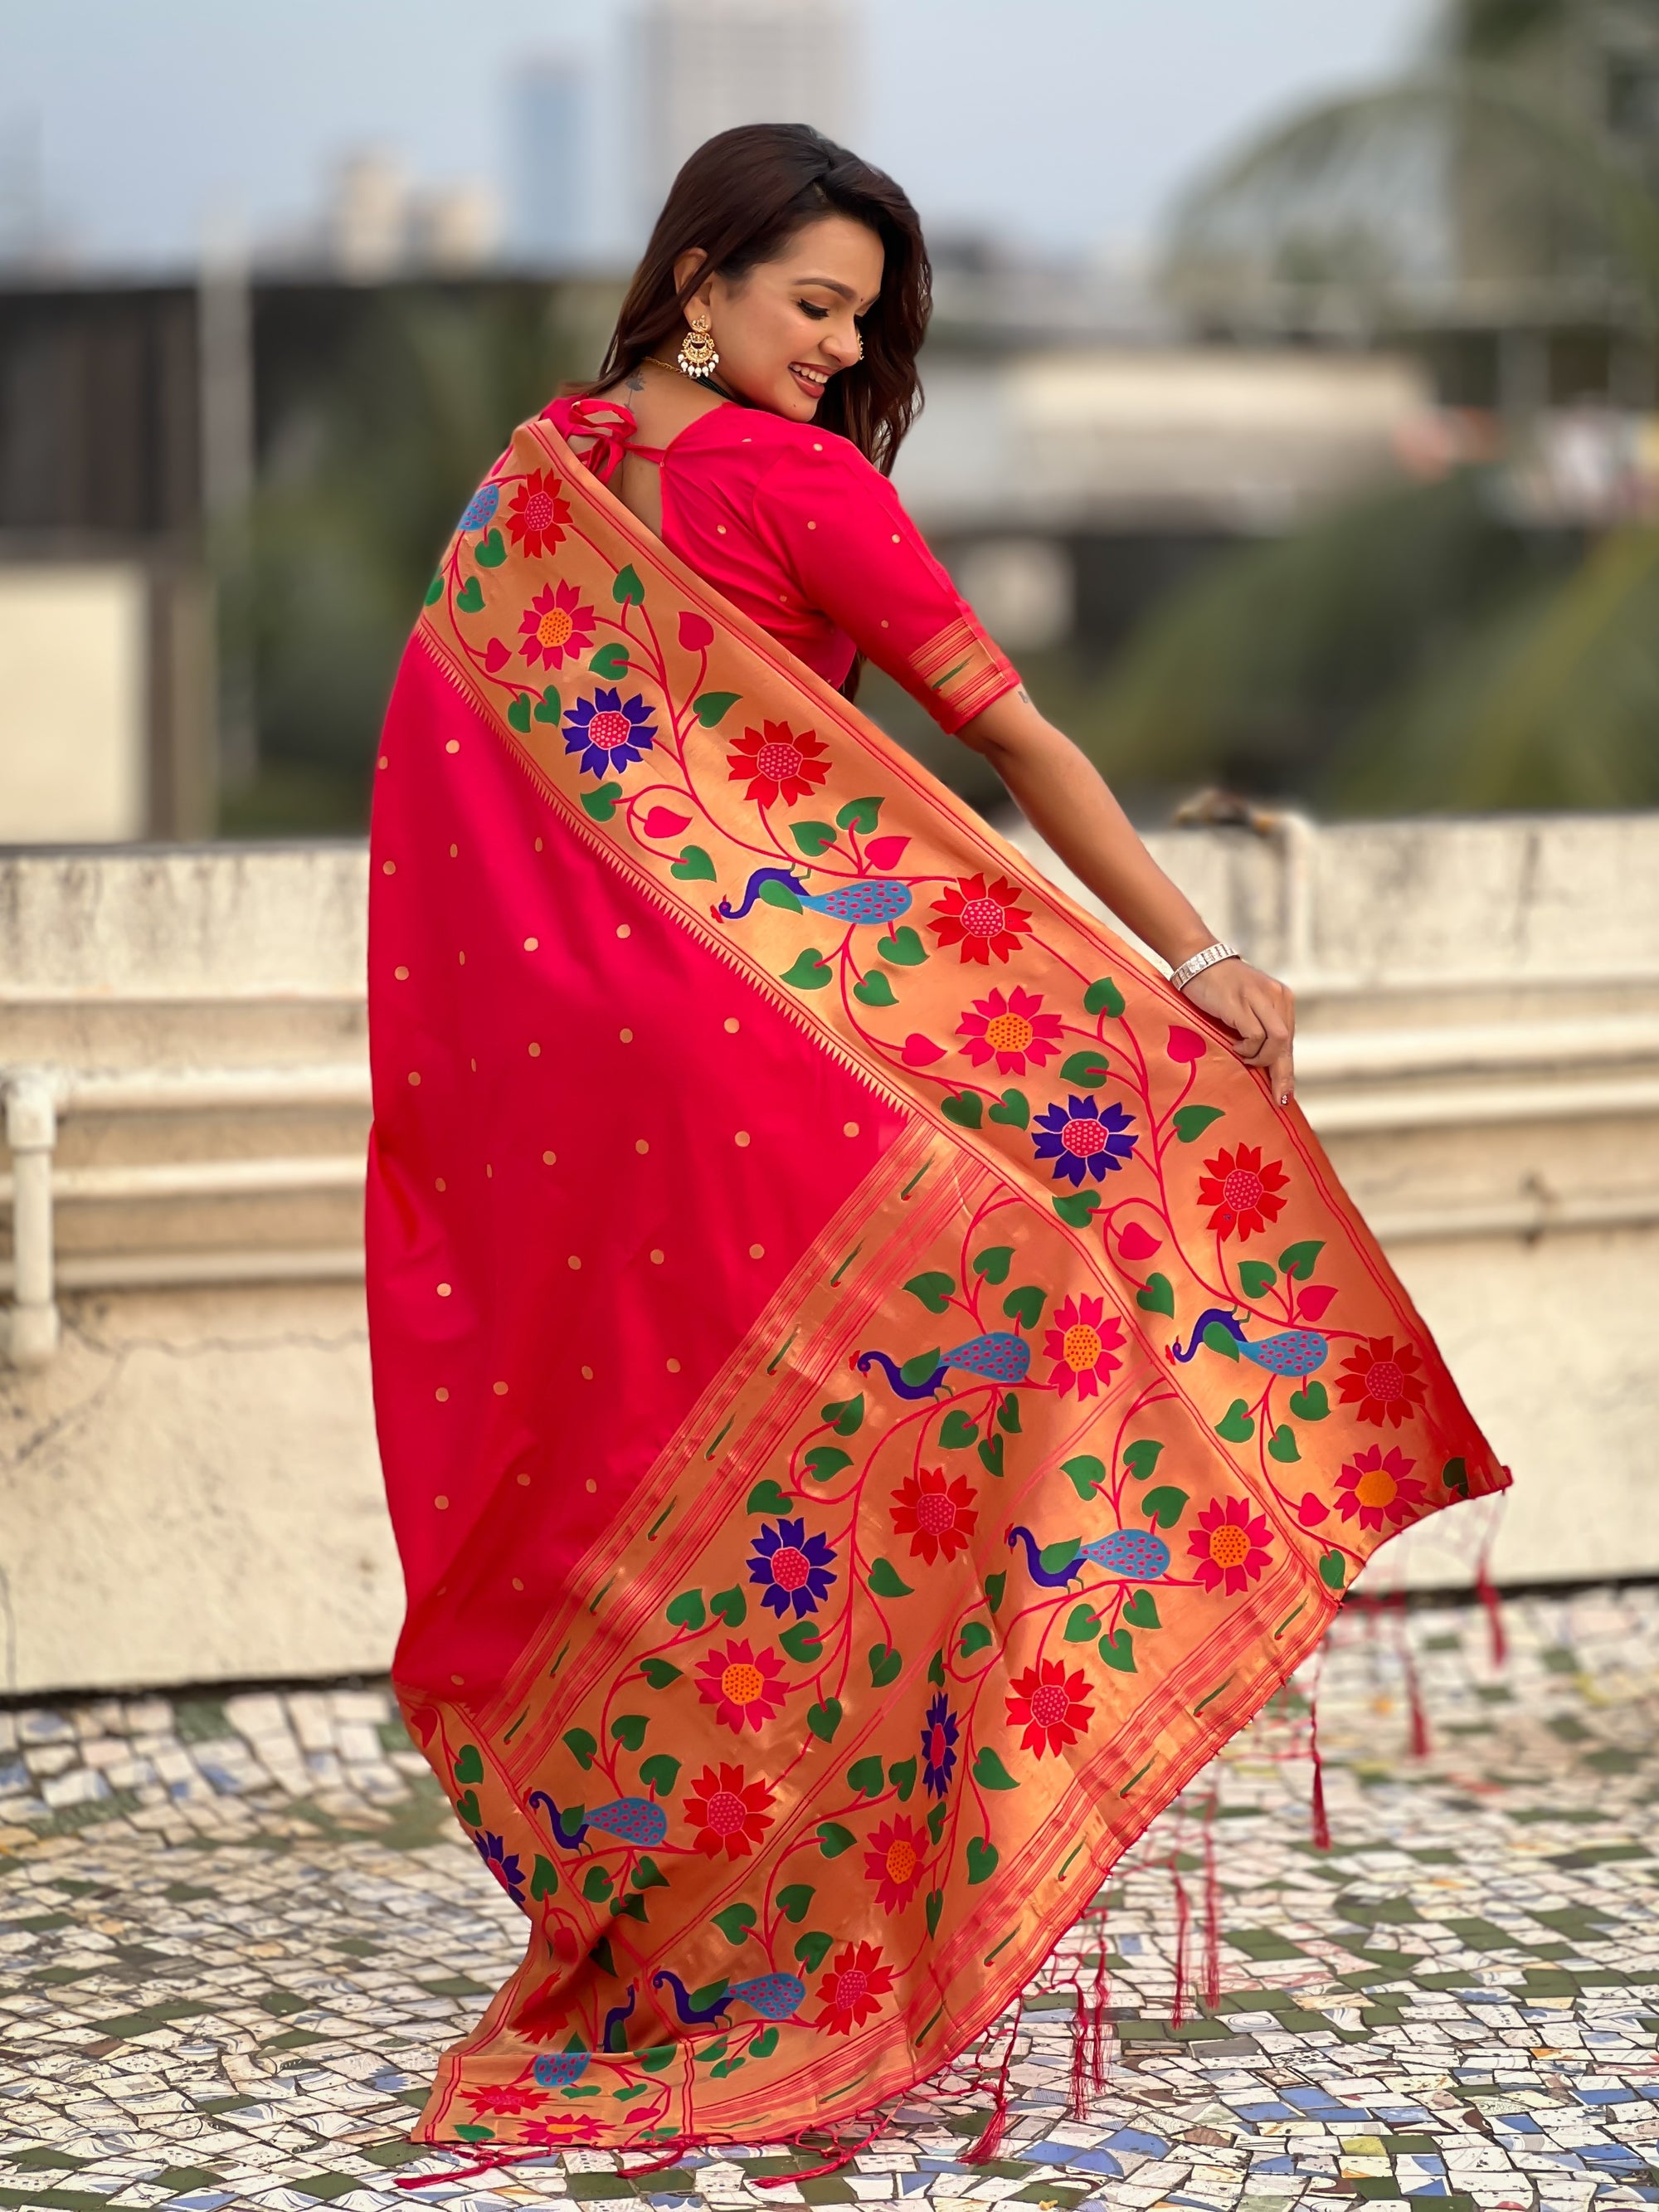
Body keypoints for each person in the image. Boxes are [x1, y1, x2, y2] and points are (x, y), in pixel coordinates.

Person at [366, 123, 1503, 2166]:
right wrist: (1199, 948)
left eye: (864, 322)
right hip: (752, 1069)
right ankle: (900, 1847)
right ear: (697, 282)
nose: (835, 352)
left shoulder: (525, 486)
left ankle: (684, 1913)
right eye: (812, 305)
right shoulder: (782, 487)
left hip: (581, 1100)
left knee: (649, 1453)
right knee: (1015, 1310)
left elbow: (449, 804)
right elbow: (1018, 744)